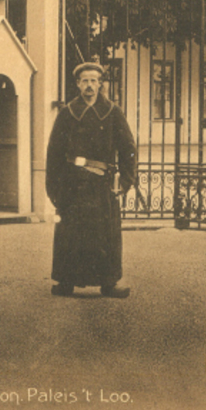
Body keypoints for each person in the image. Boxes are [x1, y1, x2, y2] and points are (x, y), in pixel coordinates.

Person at [46, 61, 137, 298]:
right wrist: (53, 188)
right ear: (78, 84)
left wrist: (125, 181)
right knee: (70, 232)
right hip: (72, 183)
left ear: (100, 84)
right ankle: (66, 281)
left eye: (93, 81)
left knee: (104, 234)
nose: (89, 85)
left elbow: (128, 148)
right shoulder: (67, 113)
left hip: (102, 184)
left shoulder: (113, 112)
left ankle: (109, 283)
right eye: (85, 80)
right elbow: (54, 152)